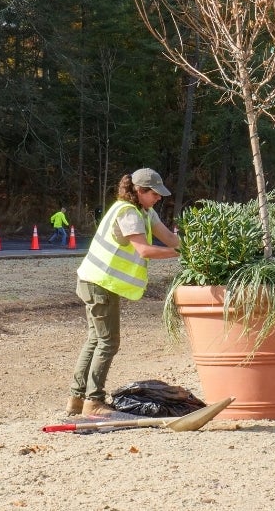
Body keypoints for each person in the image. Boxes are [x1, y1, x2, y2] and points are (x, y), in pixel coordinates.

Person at [65, 168, 180, 417]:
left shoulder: (144, 212)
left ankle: (77, 399)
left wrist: (194, 247)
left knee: (95, 340)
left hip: (94, 281)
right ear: (140, 191)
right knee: (108, 342)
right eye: (154, 194)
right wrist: (182, 254)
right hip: (100, 283)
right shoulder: (128, 213)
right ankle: (93, 402)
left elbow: (170, 238)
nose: (159, 198)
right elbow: (145, 251)